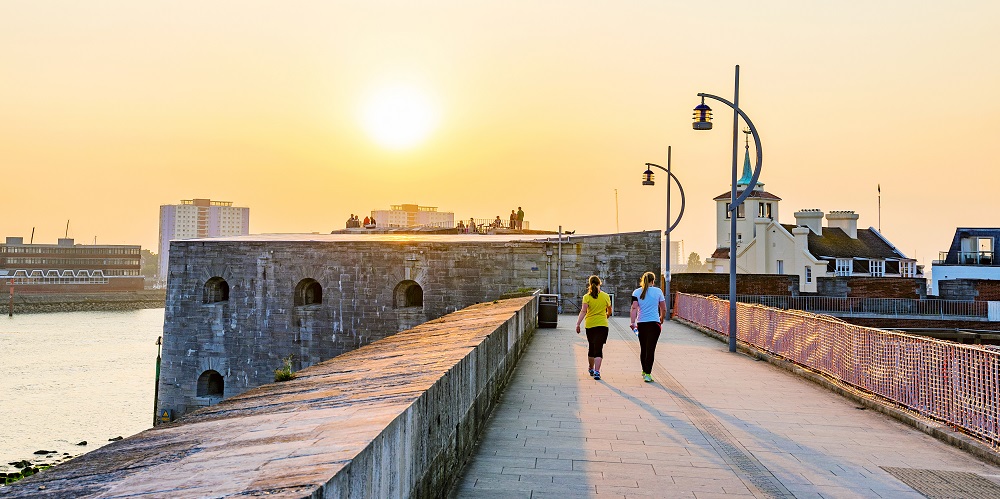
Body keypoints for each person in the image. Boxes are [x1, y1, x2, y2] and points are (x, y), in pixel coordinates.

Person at [630, 271, 666, 382]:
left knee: (643, 348)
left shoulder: (636, 292)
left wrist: (633, 322)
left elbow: (634, 308)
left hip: (642, 323)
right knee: (651, 349)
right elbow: (663, 308)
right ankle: (648, 373)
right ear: (653, 281)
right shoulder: (658, 291)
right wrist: (662, 318)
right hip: (654, 324)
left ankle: (644, 370)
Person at [575, 275, 612, 380]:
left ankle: (591, 368)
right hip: (602, 325)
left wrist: (578, 324)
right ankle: (597, 371)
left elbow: (583, 311)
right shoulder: (605, 296)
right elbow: (609, 310)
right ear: (600, 283)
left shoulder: (587, 297)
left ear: (590, 284)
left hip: (590, 325)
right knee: (599, 348)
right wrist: (607, 315)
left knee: (592, 346)